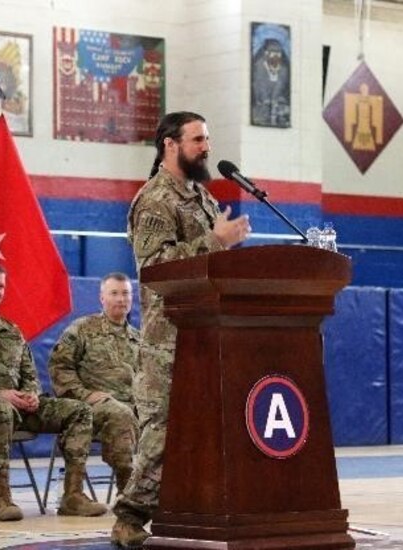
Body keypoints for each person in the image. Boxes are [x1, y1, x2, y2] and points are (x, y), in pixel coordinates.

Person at [111, 111, 251, 547]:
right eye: (197, 139)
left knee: (211, 430)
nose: (206, 147)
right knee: (163, 432)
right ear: (170, 144)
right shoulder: (155, 200)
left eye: (207, 138)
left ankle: (201, 509)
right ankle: (129, 517)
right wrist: (216, 241)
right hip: (168, 339)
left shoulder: (201, 197)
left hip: (210, 335)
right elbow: (154, 268)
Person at [0, 261, 108, 521]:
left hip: (20, 407)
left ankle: (73, 494)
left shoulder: (12, 332)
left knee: (79, 410)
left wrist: (31, 394)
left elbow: (30, 374)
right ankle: (1, 499)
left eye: (1, 285)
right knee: (1, 409)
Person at [49, 272, 141, 494]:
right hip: (92, 407)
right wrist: (84, 395)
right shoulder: (82, 329)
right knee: (120, 413)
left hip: (134, 407)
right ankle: (127, 490)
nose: (121, 299)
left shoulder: (139, 339)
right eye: (114, 293)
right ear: (102, 298)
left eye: (126, 293)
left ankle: (167, 489)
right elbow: (59, 367)